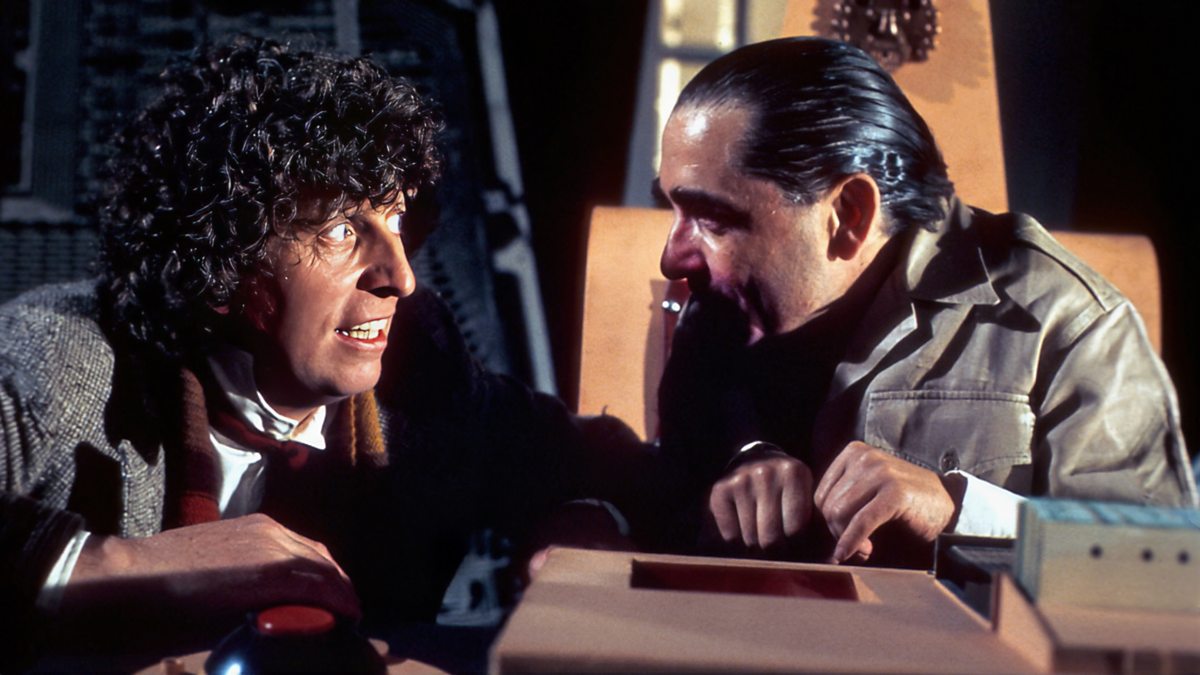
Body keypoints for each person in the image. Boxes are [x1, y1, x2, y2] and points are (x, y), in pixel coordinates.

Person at [0, 35, 629, 664]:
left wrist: (582, 520)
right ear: (221, 259)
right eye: (341, 230)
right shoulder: (55, 358)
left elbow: (593, 458)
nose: (401, 277)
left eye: (396, 221)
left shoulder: (421, 358)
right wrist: (121, 563)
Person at [652, 37, 1197, 566]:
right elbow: (660, 512)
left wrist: (958, 515)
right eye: (672, 210)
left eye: (713, 219)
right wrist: (734, 470)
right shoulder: (717, 316)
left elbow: (1157, 571)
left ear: (848, 215)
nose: (672, 260)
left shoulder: (1069, 322)